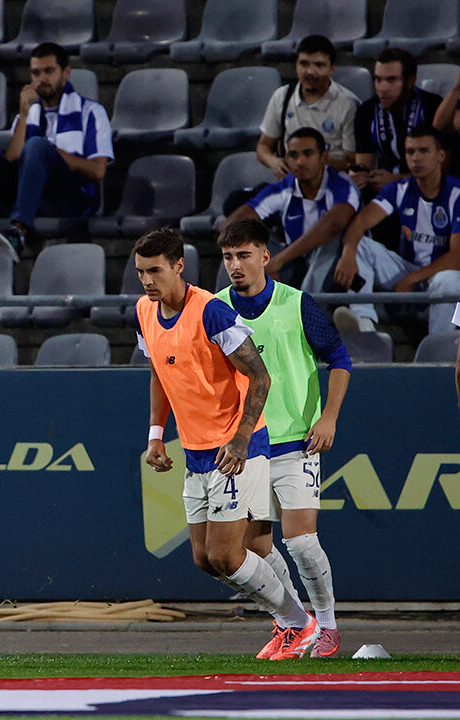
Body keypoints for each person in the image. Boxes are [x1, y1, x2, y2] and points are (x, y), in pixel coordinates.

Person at [134, 227, 319, 661]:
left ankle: (299, 623)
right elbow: (159, 374)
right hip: (195, 451)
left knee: (226, 553)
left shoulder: (211, 312)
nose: (147, 281)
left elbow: (260, 376)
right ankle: (292, 622)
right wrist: (156, 435)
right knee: (204, 559)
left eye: (155, 271)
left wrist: (240, 440)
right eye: (140, 272)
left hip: (237, 447)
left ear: (179, 266)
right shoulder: (144, 311)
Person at [217, 219, 351, 659]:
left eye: (243, 255)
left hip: (297, 440)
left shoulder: (297, 304)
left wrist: (328, 417)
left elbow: (340, 358)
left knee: (301, 541)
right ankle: (294, 623)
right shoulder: (215, 308)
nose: (235, 265)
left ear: (263, 256)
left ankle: (328, 626)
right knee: (255, 546)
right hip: (248, 445)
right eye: (227, 257)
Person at [0, 42, 111, 257]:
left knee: (37, 145)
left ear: (65, 73)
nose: (42, 79)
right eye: (36, 73)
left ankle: (18, 231)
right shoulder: (28, 113)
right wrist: (23, 115)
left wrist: (51, 154)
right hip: (26, 191)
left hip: (68, 197)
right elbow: (12, 158)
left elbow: (98, 172)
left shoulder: (92, 111)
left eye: (49, 71)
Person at [334, 126, 460, 334]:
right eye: (410, 152)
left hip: (442, 275)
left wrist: (412, 278)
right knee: (361, 245)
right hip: (409, 269)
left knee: (447, 279)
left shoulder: (456, 194)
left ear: (440, 155)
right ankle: (364, 325)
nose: (416, 158)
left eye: (423, 151)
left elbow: (457, 257)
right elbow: (360, 223)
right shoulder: (399, 189)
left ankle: (439, 344)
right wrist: (348, 254)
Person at [223, 129, 362, 294]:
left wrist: (278, 261)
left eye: (308, 154)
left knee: (331, 241)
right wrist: (262, 259)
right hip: (296, 263)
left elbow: (334, 223)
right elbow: (230, 226)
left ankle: (310, 313)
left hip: (343, 263)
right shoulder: (283, 189)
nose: (300, 162)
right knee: (238, 244)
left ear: (324, 158)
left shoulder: (342, 185)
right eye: (293, 155)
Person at [256, 35, 358, 177]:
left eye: (319, 65)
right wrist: (275, 162)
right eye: (304, 64)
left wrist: (311, 165)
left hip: (332, 182)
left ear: (332, 69)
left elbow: (353, 161)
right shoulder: (282, 96)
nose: (310, 72)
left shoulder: (349, 104)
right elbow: (263, 146)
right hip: (292, 182)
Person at [352, 48, 445, 194]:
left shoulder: (433, 107)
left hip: (427, 190)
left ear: (410, 80)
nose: (382, 88)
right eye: (378, 79)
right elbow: (364, 164)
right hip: (384, 190)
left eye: (391, 80)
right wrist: (361, 177)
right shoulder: (366, 111)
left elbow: (443, 170)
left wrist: (398, 180)